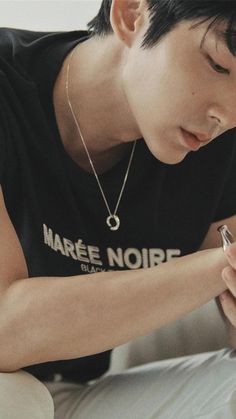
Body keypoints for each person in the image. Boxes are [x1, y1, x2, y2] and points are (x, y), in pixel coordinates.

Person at [0, 0, 236, 417]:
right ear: (131, 14)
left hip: (77, 388)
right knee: (16, 401)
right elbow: (5, 328)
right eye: (218, 66)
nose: (227, 114)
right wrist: (219, 264)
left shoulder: (218, 144)